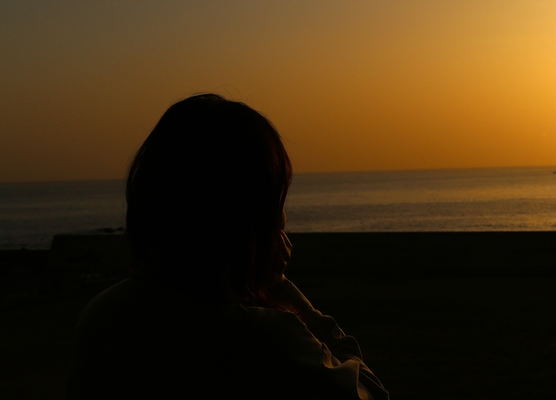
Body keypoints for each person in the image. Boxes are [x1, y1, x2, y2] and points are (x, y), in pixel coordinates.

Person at [67, 94, 388, 399]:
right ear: (249, 216)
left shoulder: (103, 316)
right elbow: (370, 391)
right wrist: (278, 284)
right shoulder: (265, 340)